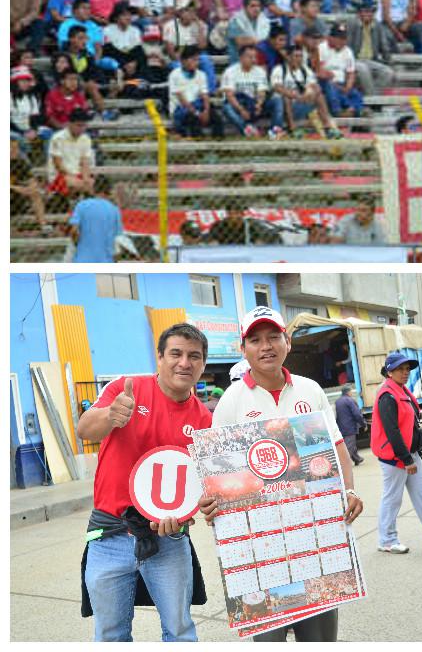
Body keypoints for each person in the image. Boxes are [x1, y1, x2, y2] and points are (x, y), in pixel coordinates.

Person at [197, 307, 364, 642]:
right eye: (255, 340)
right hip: (261, 553)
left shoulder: (310, 390)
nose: (266, 346)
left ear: (287, 341)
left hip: (315, 544)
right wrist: (212, 505)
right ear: (242, 349)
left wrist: (348, 492)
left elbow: (337, 453)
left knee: (319, 640)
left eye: (273, 336)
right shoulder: (232, 401)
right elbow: (217, 475)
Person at [76, 323, 213, 641]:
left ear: (203, 364)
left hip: (170, 539)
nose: (184, 363)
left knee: (180, 632)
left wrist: (188, 512)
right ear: (160, 357)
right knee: (110, 634)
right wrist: (111, 415)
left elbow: (202, 485)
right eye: (176, 353)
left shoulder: (205, 419)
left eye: (194, 356)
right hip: (109, 536)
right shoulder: (126, 389)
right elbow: (85, 430)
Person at [372, 351, 422, 553]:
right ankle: (387, 540)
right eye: (400, 369)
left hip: (410, 455)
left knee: (421, 496)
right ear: (389, 372)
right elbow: (392, 431)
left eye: (407, 369)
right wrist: (407, 460)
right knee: (392, 499)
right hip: (395, 458)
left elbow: (413, 426)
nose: (405, 372)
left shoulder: (402, 391)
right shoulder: (387, 395)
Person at [69, 176, 122, 263]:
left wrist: (77, 244)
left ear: (94, 189)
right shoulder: (114, 210)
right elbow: (117, 239)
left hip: (83, 260)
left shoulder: (82, 205)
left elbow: (74, 231)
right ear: (109, 191)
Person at [334, 384, 364, 465]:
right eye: (351, 391)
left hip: (341, 427)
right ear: (348, 392)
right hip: (350, 427)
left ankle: (357, 459)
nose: (351, 393)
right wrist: (363, 423)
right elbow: (357, 414)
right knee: (349, 445)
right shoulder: (349, 400)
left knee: (350, 444)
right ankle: (343, 463)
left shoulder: (338, 401)